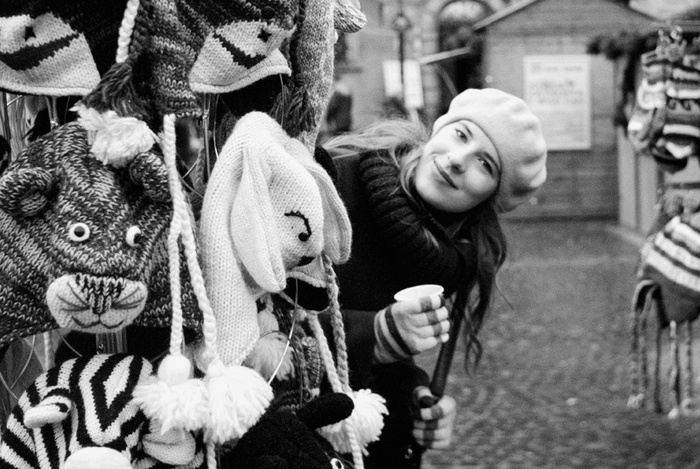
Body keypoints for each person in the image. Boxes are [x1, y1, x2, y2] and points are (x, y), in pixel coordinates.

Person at [321, 88, 547, 468]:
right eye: (460, 135)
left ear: (490, 198)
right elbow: (260, 326)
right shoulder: (333, 182)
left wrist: (413, 397)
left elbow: (385, 362)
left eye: (485, 165)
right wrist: (374, 335)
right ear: (439, 129)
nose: (457, 160)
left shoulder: (453, 259)